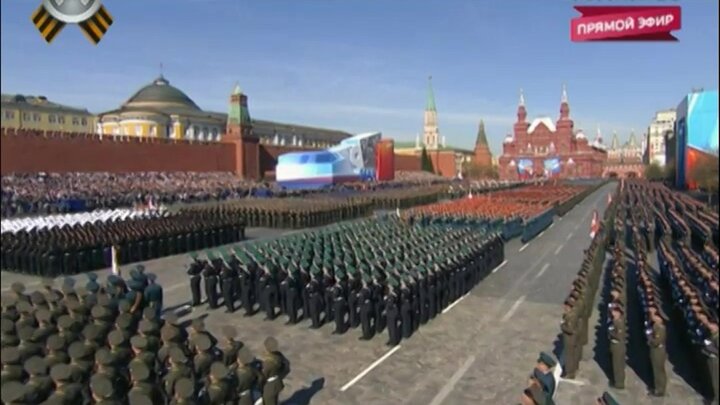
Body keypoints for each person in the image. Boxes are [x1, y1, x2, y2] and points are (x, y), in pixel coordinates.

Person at [259, 337, 290, 405]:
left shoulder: (268, 363)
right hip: (277, 381)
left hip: (269, 386)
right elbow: (287, 366)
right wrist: (281, 375)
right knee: (274, 399)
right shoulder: (279, 355)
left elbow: (263, 376)